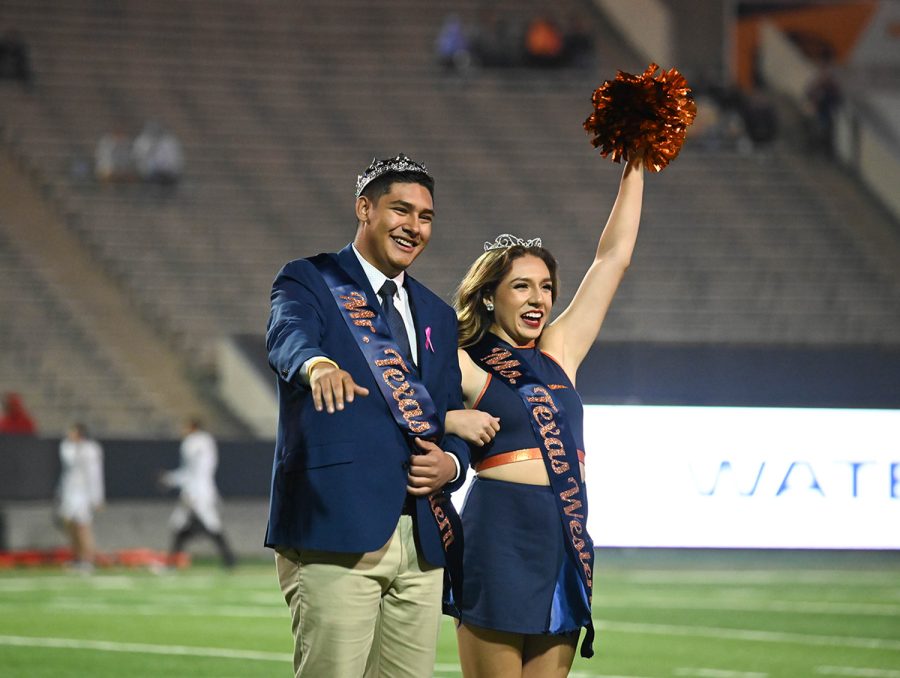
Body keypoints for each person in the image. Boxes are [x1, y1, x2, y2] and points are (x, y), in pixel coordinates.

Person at [265, 153, 471, 677]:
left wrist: (453, 465)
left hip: (422, 541)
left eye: (425, 217)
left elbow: (448, 415)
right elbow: (287, 335)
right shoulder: (309, 279)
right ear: (364, 208)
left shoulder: (439, 316)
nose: (415, 227)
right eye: (401, 211)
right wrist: (317, 365)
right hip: (336, 528)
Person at [445, 153, 645, 677]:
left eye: (546, 287)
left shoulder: (559, 351)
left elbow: (613, 259)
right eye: (521, 286)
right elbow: (400, 400)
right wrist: (449, 420)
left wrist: (637, 163)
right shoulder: (466, 361)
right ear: (489, 297)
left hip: (563, 533)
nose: (539, 299)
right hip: (498, 532)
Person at [160, 417, 235, 569]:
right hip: (207, 488)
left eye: (185, 427)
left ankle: (230, 560)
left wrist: (169, 479)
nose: (183, 431)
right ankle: (171, 563)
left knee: (209, 524)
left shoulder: (190, 443)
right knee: (182, 523)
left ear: (192, 427)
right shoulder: (208, 440)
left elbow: (190, 472)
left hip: (195, 491)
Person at [56, 423, 104, 571]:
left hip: (84, 493)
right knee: (70, 526)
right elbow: (67, 469)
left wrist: (97, 498)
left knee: (83, 527)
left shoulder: (91, 449)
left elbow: (95, 474)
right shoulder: (67, 447)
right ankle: (77, 557)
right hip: (69, 492)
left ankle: (88, 559)